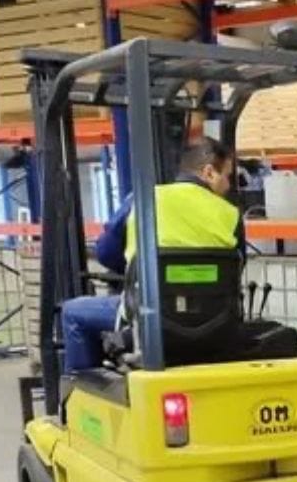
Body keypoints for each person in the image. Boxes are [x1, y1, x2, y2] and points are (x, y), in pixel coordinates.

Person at [60, 138, 241, 374]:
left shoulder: (142, 199)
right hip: (216, 322)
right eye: (227, 176)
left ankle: (81, 390)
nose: (228, 185)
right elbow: (235, 268)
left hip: (149, 318)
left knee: (72, 312)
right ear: (208, 173)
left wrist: (135, 269)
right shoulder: (231, 214)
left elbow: (106, 253)